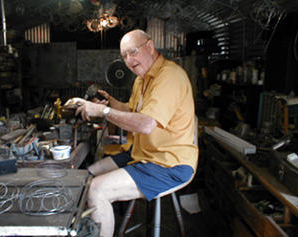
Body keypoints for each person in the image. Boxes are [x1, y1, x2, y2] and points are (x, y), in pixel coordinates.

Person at [65, 29, 199, 237]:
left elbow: (145, 124)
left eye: (133, 52)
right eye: (124, 56)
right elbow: (132, 111)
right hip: (143, 154)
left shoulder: (170, 76)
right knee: (89, 174)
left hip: (169, 163)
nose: (129, 60)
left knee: (96, 190)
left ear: (150, 47)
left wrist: (103, 111)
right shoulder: (141, 78)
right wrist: (111, 103)